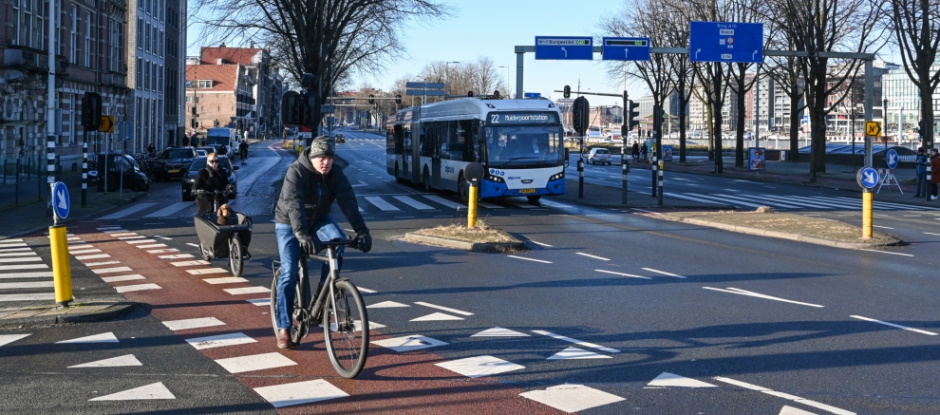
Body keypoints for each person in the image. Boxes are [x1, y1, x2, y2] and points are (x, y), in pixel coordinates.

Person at [273, 136, 372, 350]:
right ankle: (284, 327)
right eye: (321, 158)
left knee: (338, 243)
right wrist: (301, 234)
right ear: (312, 156)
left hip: (318, 219)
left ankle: (323, 293)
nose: (325, 162)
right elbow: (294, 205)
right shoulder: (296, 172)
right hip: (289, 223)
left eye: (329, 158)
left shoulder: (336, 174)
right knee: (289, 273)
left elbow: (348, 202)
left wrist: (362, 231)